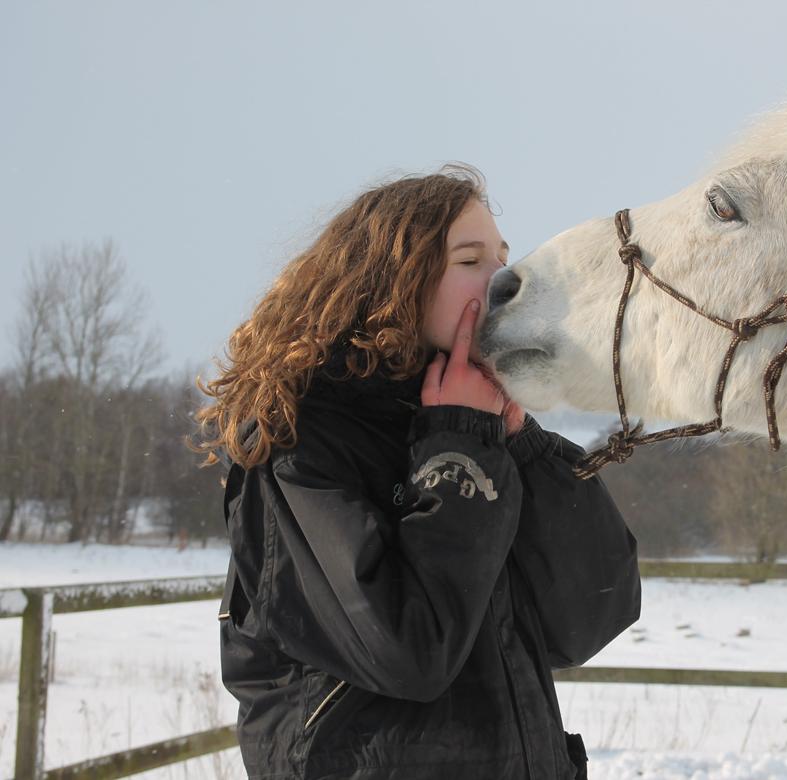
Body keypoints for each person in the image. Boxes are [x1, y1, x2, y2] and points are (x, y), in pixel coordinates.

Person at [194, 166, 641, 779]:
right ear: (394, 281)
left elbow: (593, 616)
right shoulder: (302, 440)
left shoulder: (485, 430)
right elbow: (409, 651)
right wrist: (458, 442)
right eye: (469, 260)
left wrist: (520, 442)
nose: (503, 277)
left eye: (503, 256)